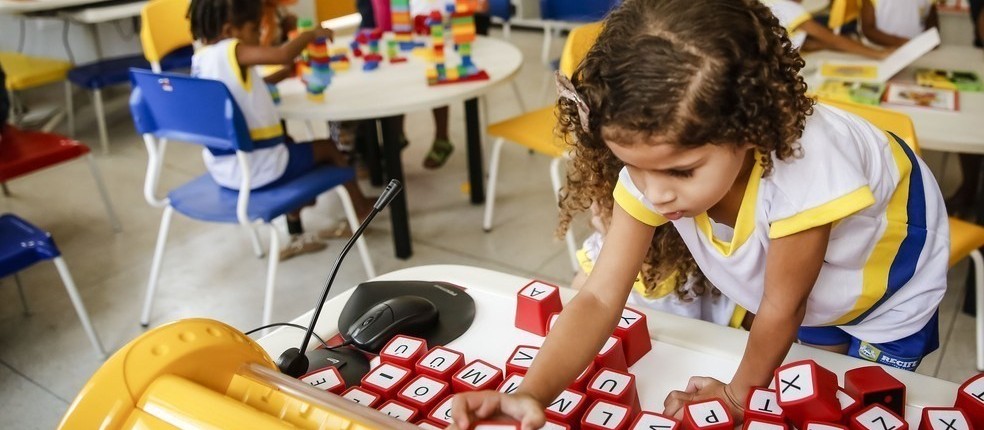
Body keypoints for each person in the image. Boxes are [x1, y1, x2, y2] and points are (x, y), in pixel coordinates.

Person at [450, 0, 949, 427]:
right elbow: (601, 296)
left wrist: (735, 396)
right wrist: (530, 392)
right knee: (808, 384)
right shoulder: (659, 158)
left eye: (681, 173)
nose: (655, 194)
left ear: (749, 128)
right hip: (814, 291)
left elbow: (781, 307)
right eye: (634, 168)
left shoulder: (807, 171)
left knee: (865, 404)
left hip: (891, 292)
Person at [189, 0, 375, 260]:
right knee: (328, 148)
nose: (257, 37)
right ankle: (363, 208)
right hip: (259, 170)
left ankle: (297, 217)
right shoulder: (232, 49)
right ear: (230, 30)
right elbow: (282, 55)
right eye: (254, 29)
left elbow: (240, 90)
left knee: (289, 142)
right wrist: (311, 34)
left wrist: (282, 76)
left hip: (226, 169)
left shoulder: (201, 59)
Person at [765, 0, 889, 59]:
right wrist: (878, 54)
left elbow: (806, 43)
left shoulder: (771, 4)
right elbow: (833, 39)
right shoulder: (788, 8)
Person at [860, 0, 938, 47]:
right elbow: (868, 29)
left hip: (918, 52)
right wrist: (900, 43)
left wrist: (929, 43)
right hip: (879, 51)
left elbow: (932, 26)